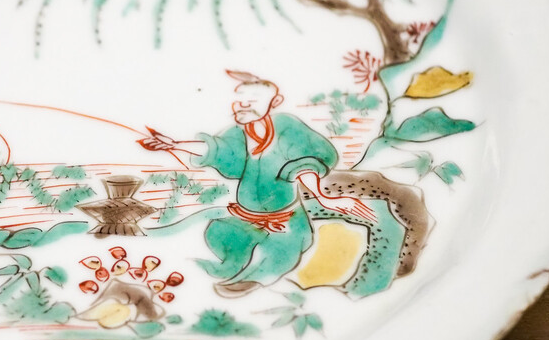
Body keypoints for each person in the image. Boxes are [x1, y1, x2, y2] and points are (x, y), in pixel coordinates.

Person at [140, 70, 374, 297]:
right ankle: (224, 269)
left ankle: (252, 279)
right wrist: (175, 145)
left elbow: (305, 162)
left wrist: (323, 197)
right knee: (218, 233)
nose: (242, 105)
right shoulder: (238, 133)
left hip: (285, 220)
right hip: (244, 216)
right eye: (239, 100)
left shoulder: (286, 127)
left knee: (281, 251)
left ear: (275, 102)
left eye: (252, 101)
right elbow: (218, 150)